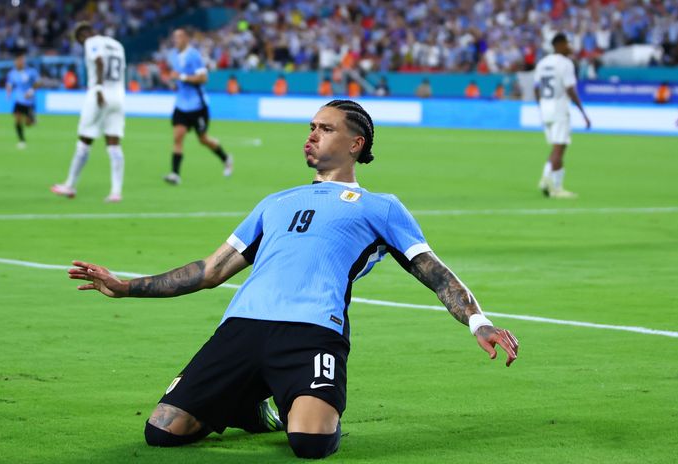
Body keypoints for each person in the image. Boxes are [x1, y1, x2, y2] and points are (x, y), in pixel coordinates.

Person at [67, 99, 519, 459]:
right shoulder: (276, 201)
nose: (311, 136)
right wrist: (126, 286)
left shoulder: (380, 207)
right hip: (241, 326)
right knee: (162, 433)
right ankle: (253, 410)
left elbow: (435, 274)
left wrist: (479, 322)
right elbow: (210, 271)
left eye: (325, 128)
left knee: (308, 444)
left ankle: (291, 403)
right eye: (310, 127)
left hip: (312, 332)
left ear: (356, 143)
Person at [51, 22, 126, 203]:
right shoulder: (117, 44)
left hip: (99, 94)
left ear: (85, 34)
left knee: (84, 140)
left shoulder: (92, 42)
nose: (81, 43)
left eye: (80, 39)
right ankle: (116, 192)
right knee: (114, 145)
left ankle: (69, 185)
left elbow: (99, 61)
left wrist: (99, 88)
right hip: (119, 96)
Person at [163, 28, 233, 186]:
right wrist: (175, 84)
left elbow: (203, 78)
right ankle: (175, 174)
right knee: (178, 136)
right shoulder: (173, 55)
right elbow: (177, 78)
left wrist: (181, 77)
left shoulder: (194, 55)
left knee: (203, 139)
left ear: (186, 38)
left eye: (179, 37)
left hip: (197, 106)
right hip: (181, 104)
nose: (176, 40)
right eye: (174, 37)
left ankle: (226, 158)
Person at [534, 33, 591, 199]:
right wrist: (583, 113)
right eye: (568, 44)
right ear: (559, 45)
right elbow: (570, 89)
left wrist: (541, 107)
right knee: (560, 148)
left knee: (555, 147)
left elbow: (536, 88)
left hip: (545, 109)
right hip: (559, 109)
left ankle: (545, 180)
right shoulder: (566, 64)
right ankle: (556, 188)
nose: (570, 47)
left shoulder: (542, 63)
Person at [6, 52, 40, 149]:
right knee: (17, 119)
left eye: (22, 60)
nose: (20, 62)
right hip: (18, 100)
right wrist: (8, 91)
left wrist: (31, 90)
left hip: (29, 101)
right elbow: (9, 83)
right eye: (19, 60)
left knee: (28, 124)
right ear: (15, 62)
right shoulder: (12, 73)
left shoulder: (31, 72)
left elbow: (38, 82)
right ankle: (21, 140)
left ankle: (32, 119)